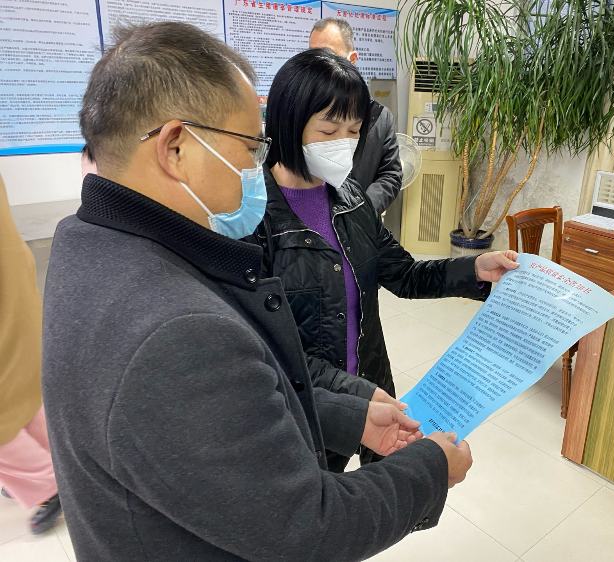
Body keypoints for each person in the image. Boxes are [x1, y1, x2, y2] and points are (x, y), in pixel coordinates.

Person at [42, 22, 473, 562]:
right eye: (248, 148)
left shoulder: (86, 244)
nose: (254, 167)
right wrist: (432, 469)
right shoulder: (181, 330)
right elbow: (306, 529)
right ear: (176, 147)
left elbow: (237, 409)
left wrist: (351, 415)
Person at [255, 48, 519, 472]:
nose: (343, 144)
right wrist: (354, 396)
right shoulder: (254, 219)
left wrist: (473, 269)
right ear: (288, 123)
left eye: (354, 131)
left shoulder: (351, 199)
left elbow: (405, 275)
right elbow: (266, 350)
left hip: (371, 389)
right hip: (310, 409)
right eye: (328, 130)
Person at [0, 174, 62, 535]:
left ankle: (47, 482)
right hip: (11, 278)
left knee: (11, 394)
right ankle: (56, 467)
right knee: (18, 387)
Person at [310, 17, 401, 214]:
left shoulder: (379, 117)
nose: (318, 65)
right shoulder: (299, 111)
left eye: (327, 55)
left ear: (352, 59)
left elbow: (390, 174)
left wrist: (362, 210)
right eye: (312, 56)